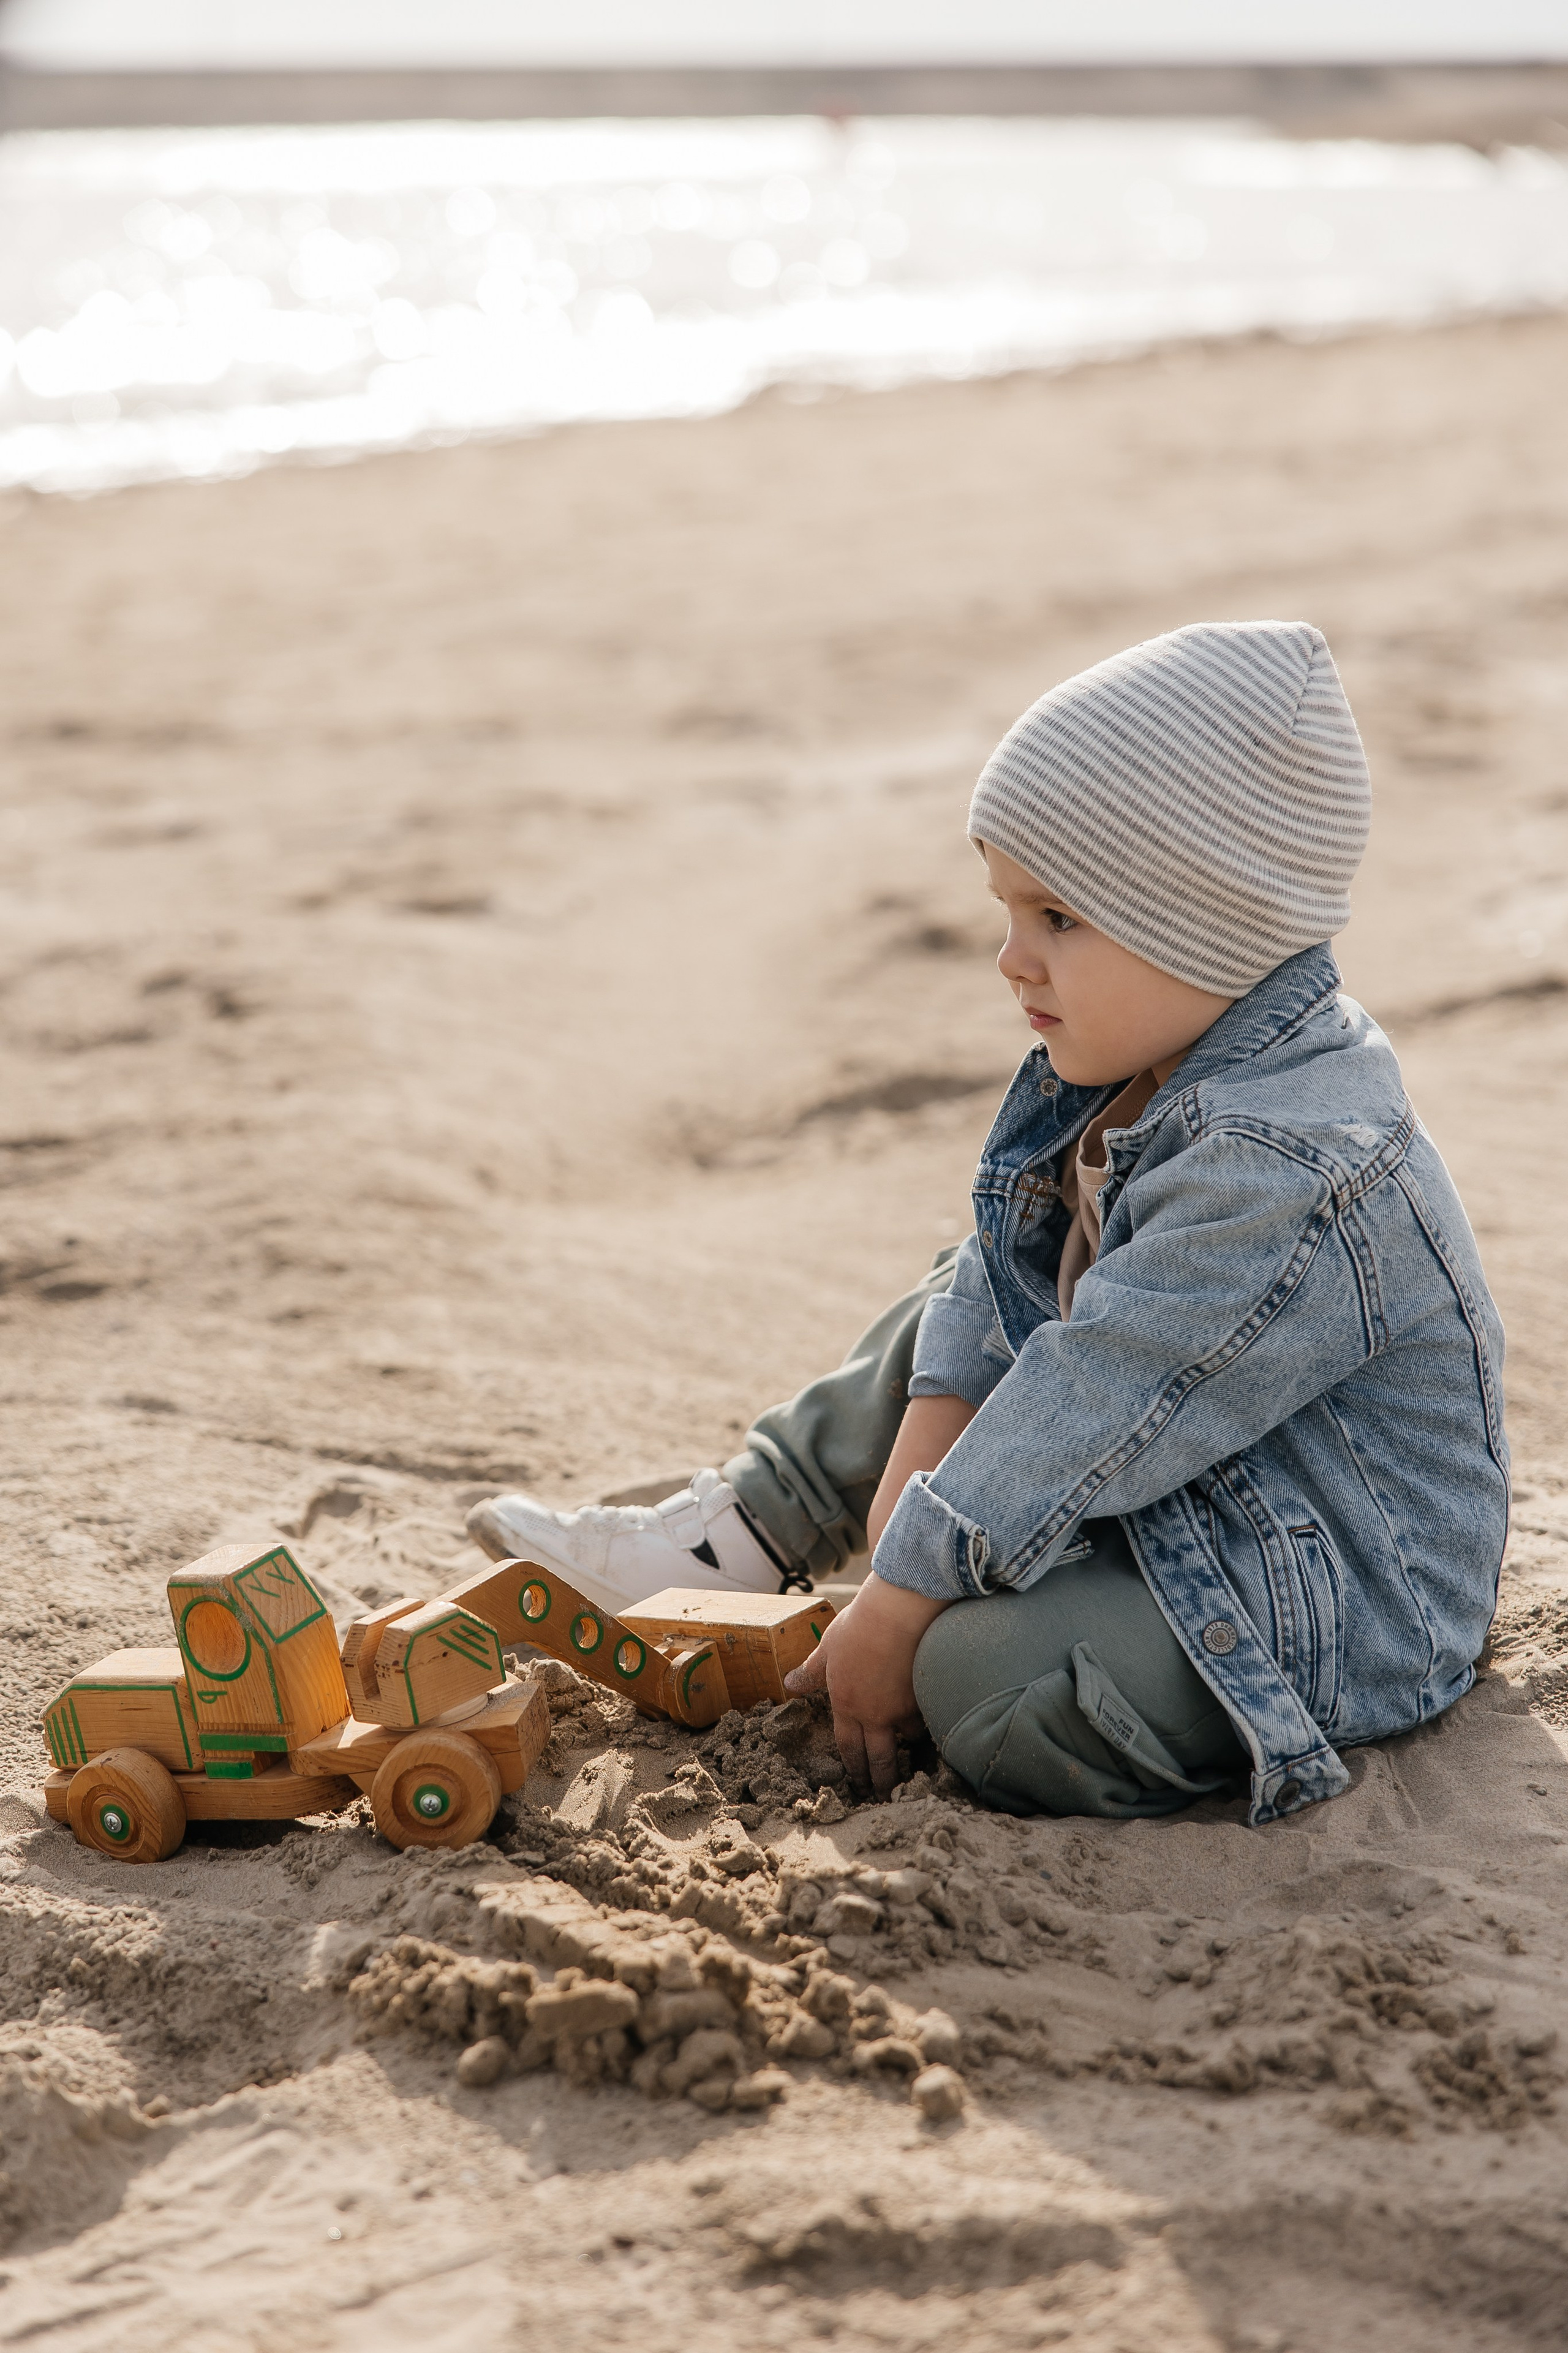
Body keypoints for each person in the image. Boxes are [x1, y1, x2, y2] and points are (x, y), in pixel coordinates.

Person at [469, 621, 1508, 1827]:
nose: (1011, 958)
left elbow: (1098, 1388)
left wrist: (908, 1588)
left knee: (975, 1677)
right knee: (976, 1279)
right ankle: (740, 1532)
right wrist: (918, 1485)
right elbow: (997, 1280)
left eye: (1058, 916)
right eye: (1007, 907)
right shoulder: (1135, 1052)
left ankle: (1015, 1608)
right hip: (1177, 1464)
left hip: (1326, 1583)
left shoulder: (1285, 1161)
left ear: (1204, 918)